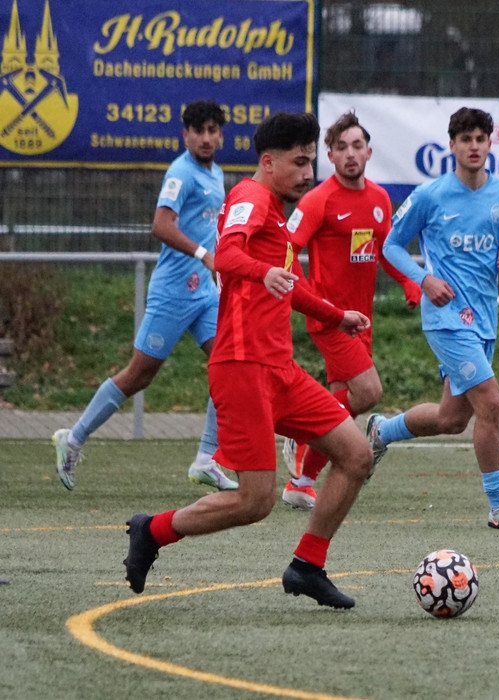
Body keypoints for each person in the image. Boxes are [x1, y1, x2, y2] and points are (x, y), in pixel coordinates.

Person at [122, 111, 374, 608]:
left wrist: (335, 315)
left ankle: (307, 566)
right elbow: (227, 256)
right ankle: (152, 530)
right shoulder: (249, 198)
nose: (307, 173)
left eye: (311, 162)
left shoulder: (275, 210)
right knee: (255, 501)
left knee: (356, 455)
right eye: (299, 163)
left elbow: (289, 284)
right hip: (242, 367)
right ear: (268, 161)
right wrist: (262, 273)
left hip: (280, 370)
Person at [370, 106, 499, 531]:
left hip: (484, 320)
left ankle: (381, 432)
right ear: (451, 145)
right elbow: (390, 246)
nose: (474, 146)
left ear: (489, 144)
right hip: (446, 319)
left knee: (452, 419)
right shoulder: (430, 195)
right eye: (466, 139)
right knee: (492, 403)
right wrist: (424, 280)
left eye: (480, 139)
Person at [52, 100, 237, 492]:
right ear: (185, 135)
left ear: (220, 135)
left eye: (212, 131)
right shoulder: (181, 173)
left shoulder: (217, 173)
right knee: (140, 374)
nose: (205, 138)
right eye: (198, 131)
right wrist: (204, 255)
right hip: (172, 292)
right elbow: (161, 225)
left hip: (204, 292)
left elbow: (209, 230)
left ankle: (206, 458)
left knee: (231, 363)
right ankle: (73, 437)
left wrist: (220, 262)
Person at [280, 110, 421, 510]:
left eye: (357, 146)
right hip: (330, 319)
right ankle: (303, 433)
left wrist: (410, 281)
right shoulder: (318, 200)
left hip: (361, 321)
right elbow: (287, 249)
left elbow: (385, 249)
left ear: (369, 152)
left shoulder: (379, 199)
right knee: (369, 392)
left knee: (344, 403)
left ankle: (302, 482)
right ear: (330, 156)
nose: (350, 154)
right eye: (341, 147)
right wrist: (310, 299)